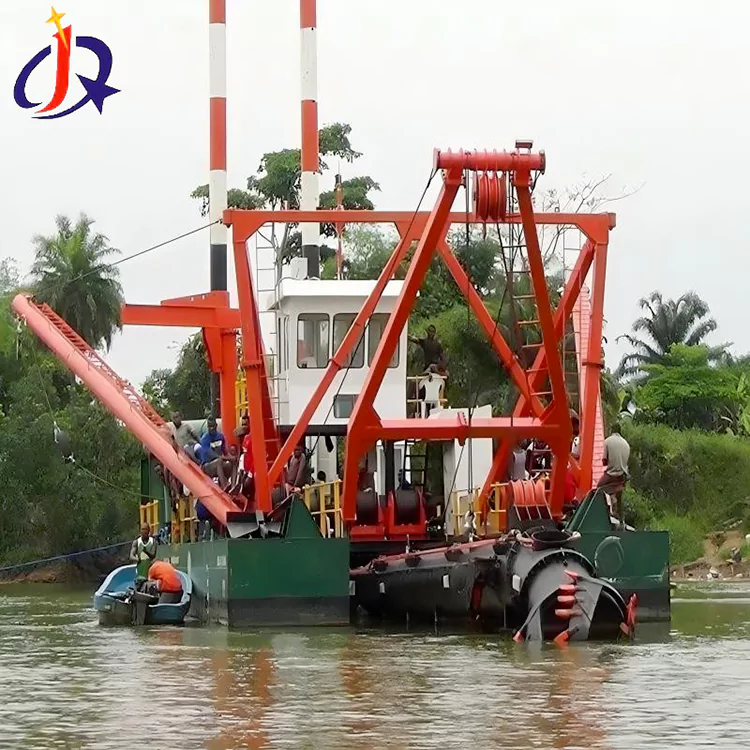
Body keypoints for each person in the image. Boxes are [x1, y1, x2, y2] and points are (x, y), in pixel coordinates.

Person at [596, 423, 631, 527]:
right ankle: (621, 520)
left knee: (598, 490)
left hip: (611, 475)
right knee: (619, 497)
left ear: (612, 430)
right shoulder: (626, 444)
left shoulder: (607, 441)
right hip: (622, 476)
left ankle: (604, 514)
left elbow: (604, 461)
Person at [199, 416, 234, 489]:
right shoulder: (205, 439)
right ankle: (224, 486)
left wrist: (232, 458)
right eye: (209, 427)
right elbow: (211, 455)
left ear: (216, 425)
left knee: (232, 462)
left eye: (213, 426)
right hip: (207, 466)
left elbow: (225, 452)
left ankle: (233, 485)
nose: (211, 428)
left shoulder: (221, 436)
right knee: (219, 461)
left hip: (220, 462)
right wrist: (225, 458)